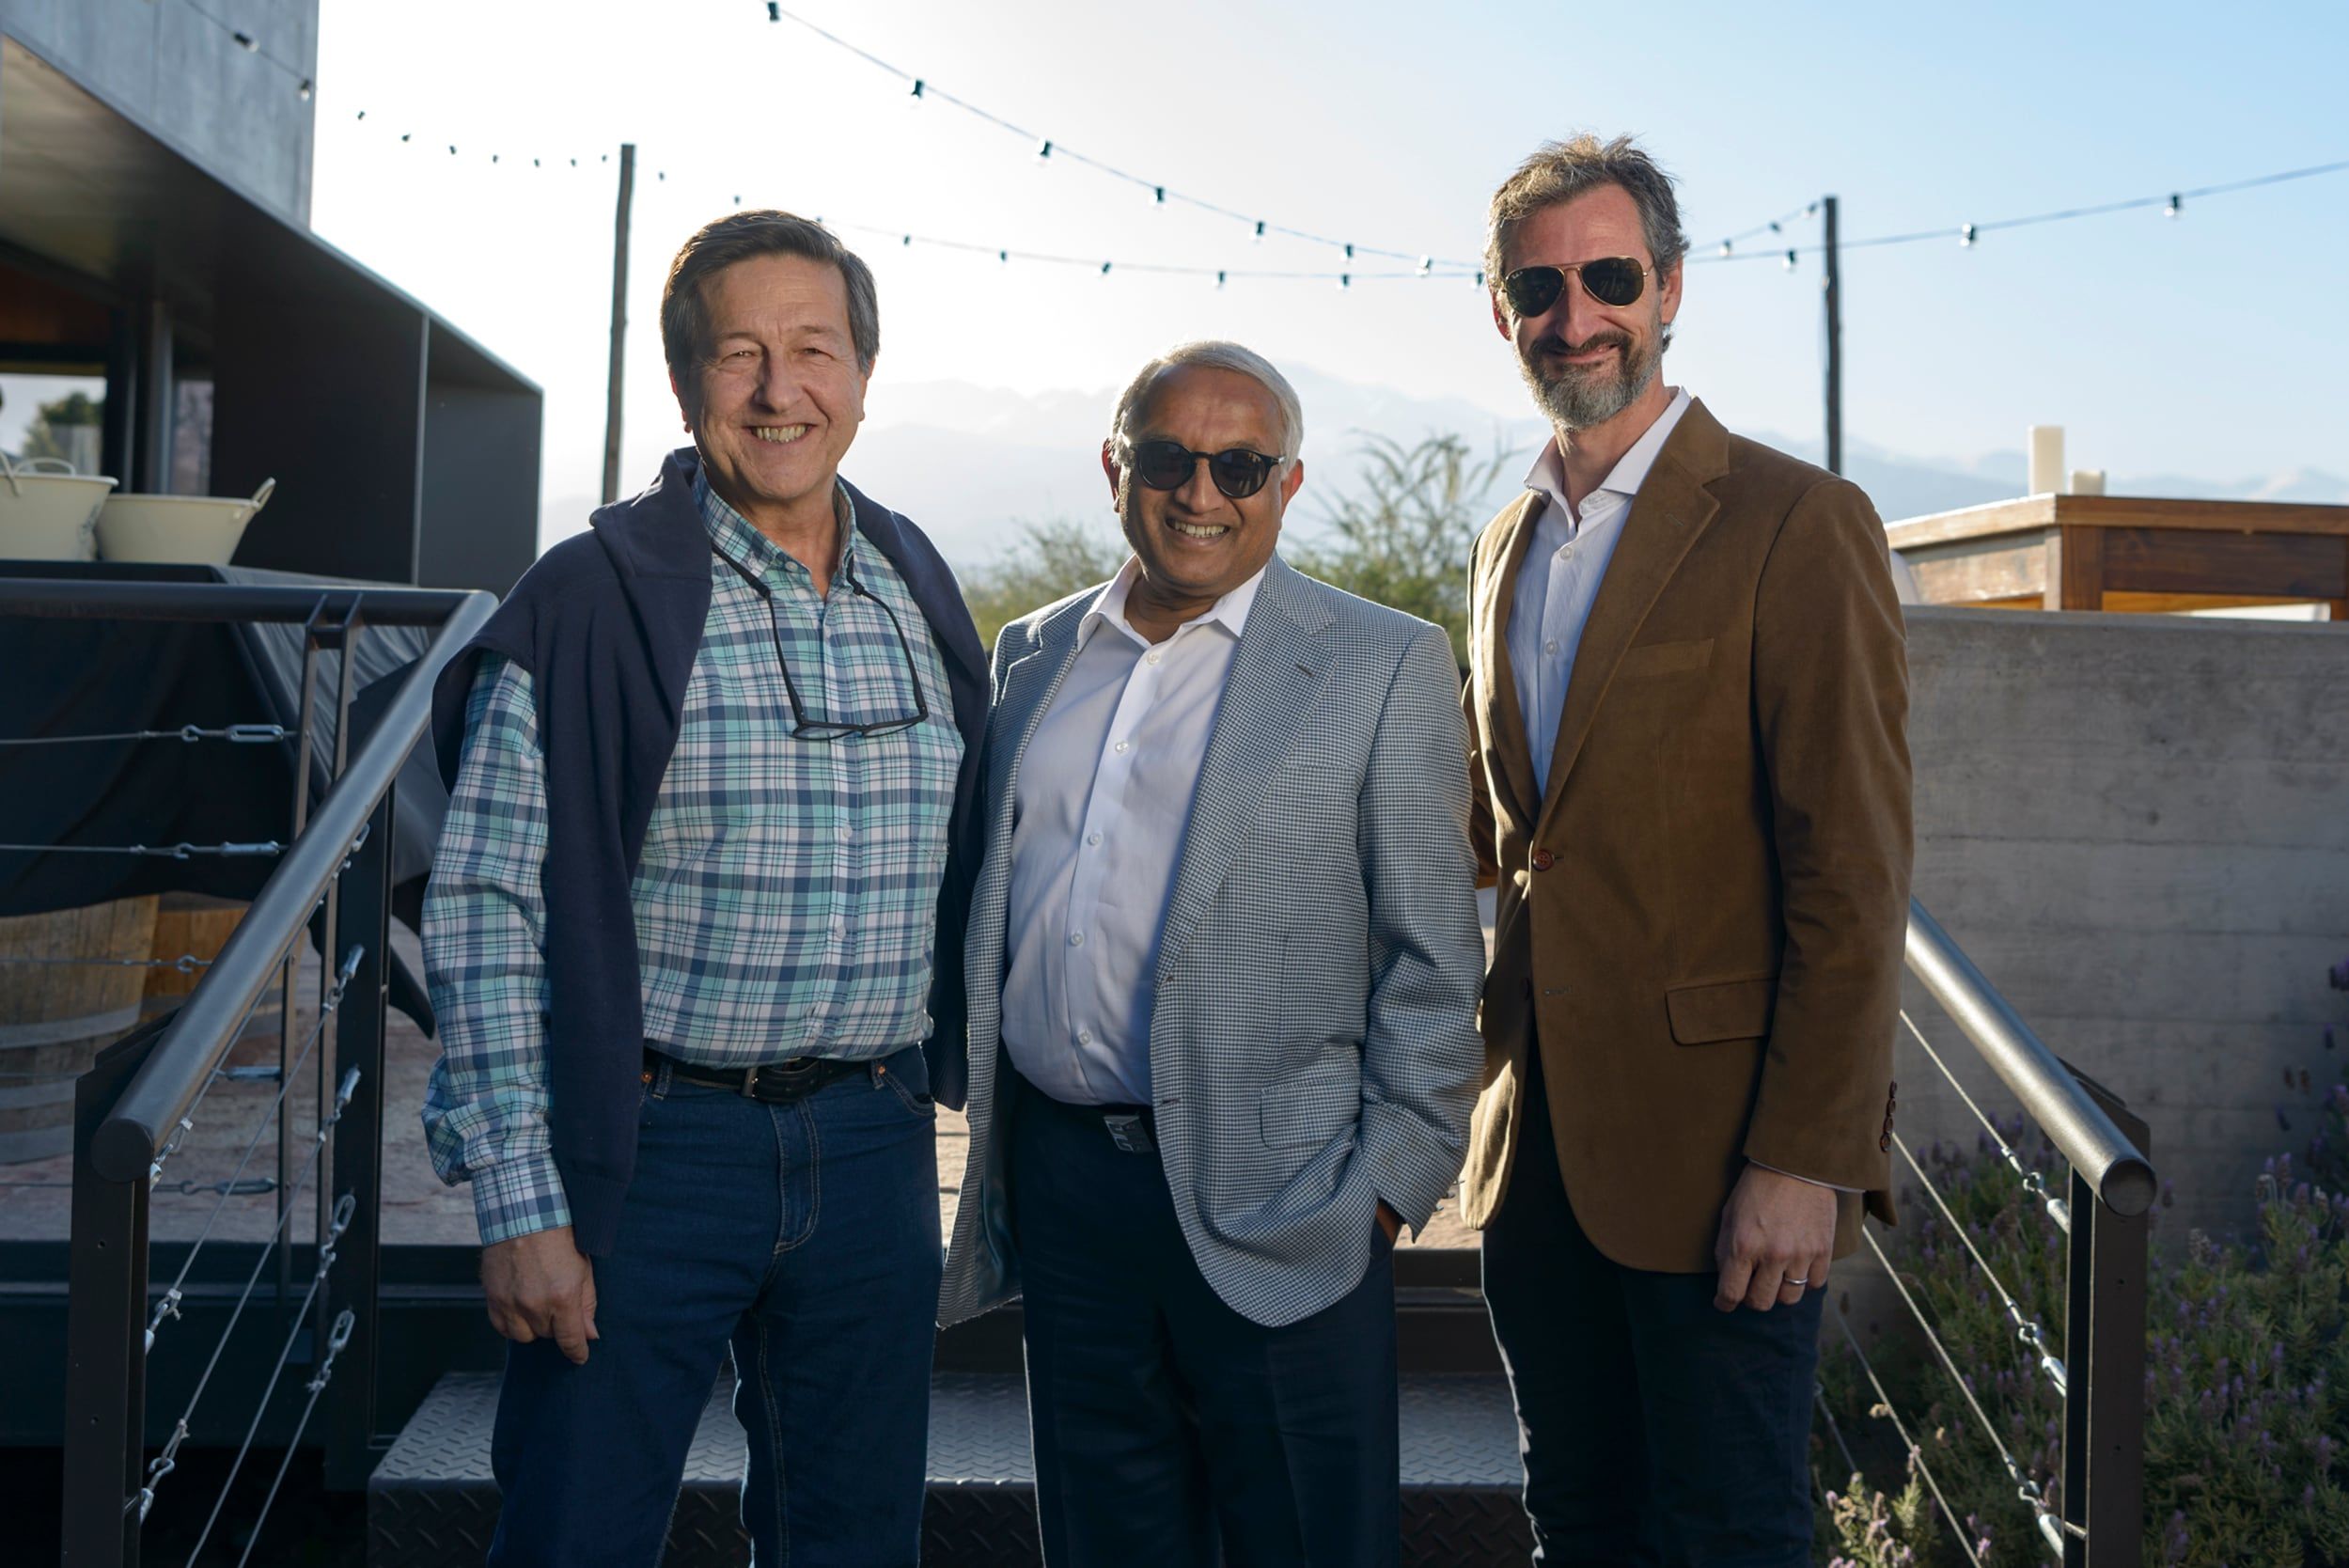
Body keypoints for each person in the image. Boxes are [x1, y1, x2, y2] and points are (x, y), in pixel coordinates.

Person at [419, 210, 988, 1567]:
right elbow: (485, 906)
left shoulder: (916, 583)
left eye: (816, 350)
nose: (781, 390)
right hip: (652, 1154)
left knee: (855, 1545)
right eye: (740, 355)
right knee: (575, 1539)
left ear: (863, 373)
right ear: (685, 383)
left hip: (874, 1147)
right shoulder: (588, 600)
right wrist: (520, 1202)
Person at [938, 340, 1485, 1567]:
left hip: (1291, 1203)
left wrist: (1379, 1200)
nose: (1201, 493)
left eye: (1240, 466)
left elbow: (1435, 962)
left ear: (1287, 485)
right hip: (1067, 1195)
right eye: (1168, 459)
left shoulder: (1383, 661)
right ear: (1113, 469)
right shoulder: (1032, 654)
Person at [1458, 135, 1913, 1565]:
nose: (1576, 316)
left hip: (1726, 1166)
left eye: (1608, 278)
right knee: (1576, 1519)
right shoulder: (1504, 544)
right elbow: (1507, 834)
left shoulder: (1798, 523)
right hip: (1535, 1156)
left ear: (1668, 289)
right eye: (1541, 287)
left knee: (1729, 1536)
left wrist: (1807, 1158)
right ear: (1501, 308)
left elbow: (1853, 875)